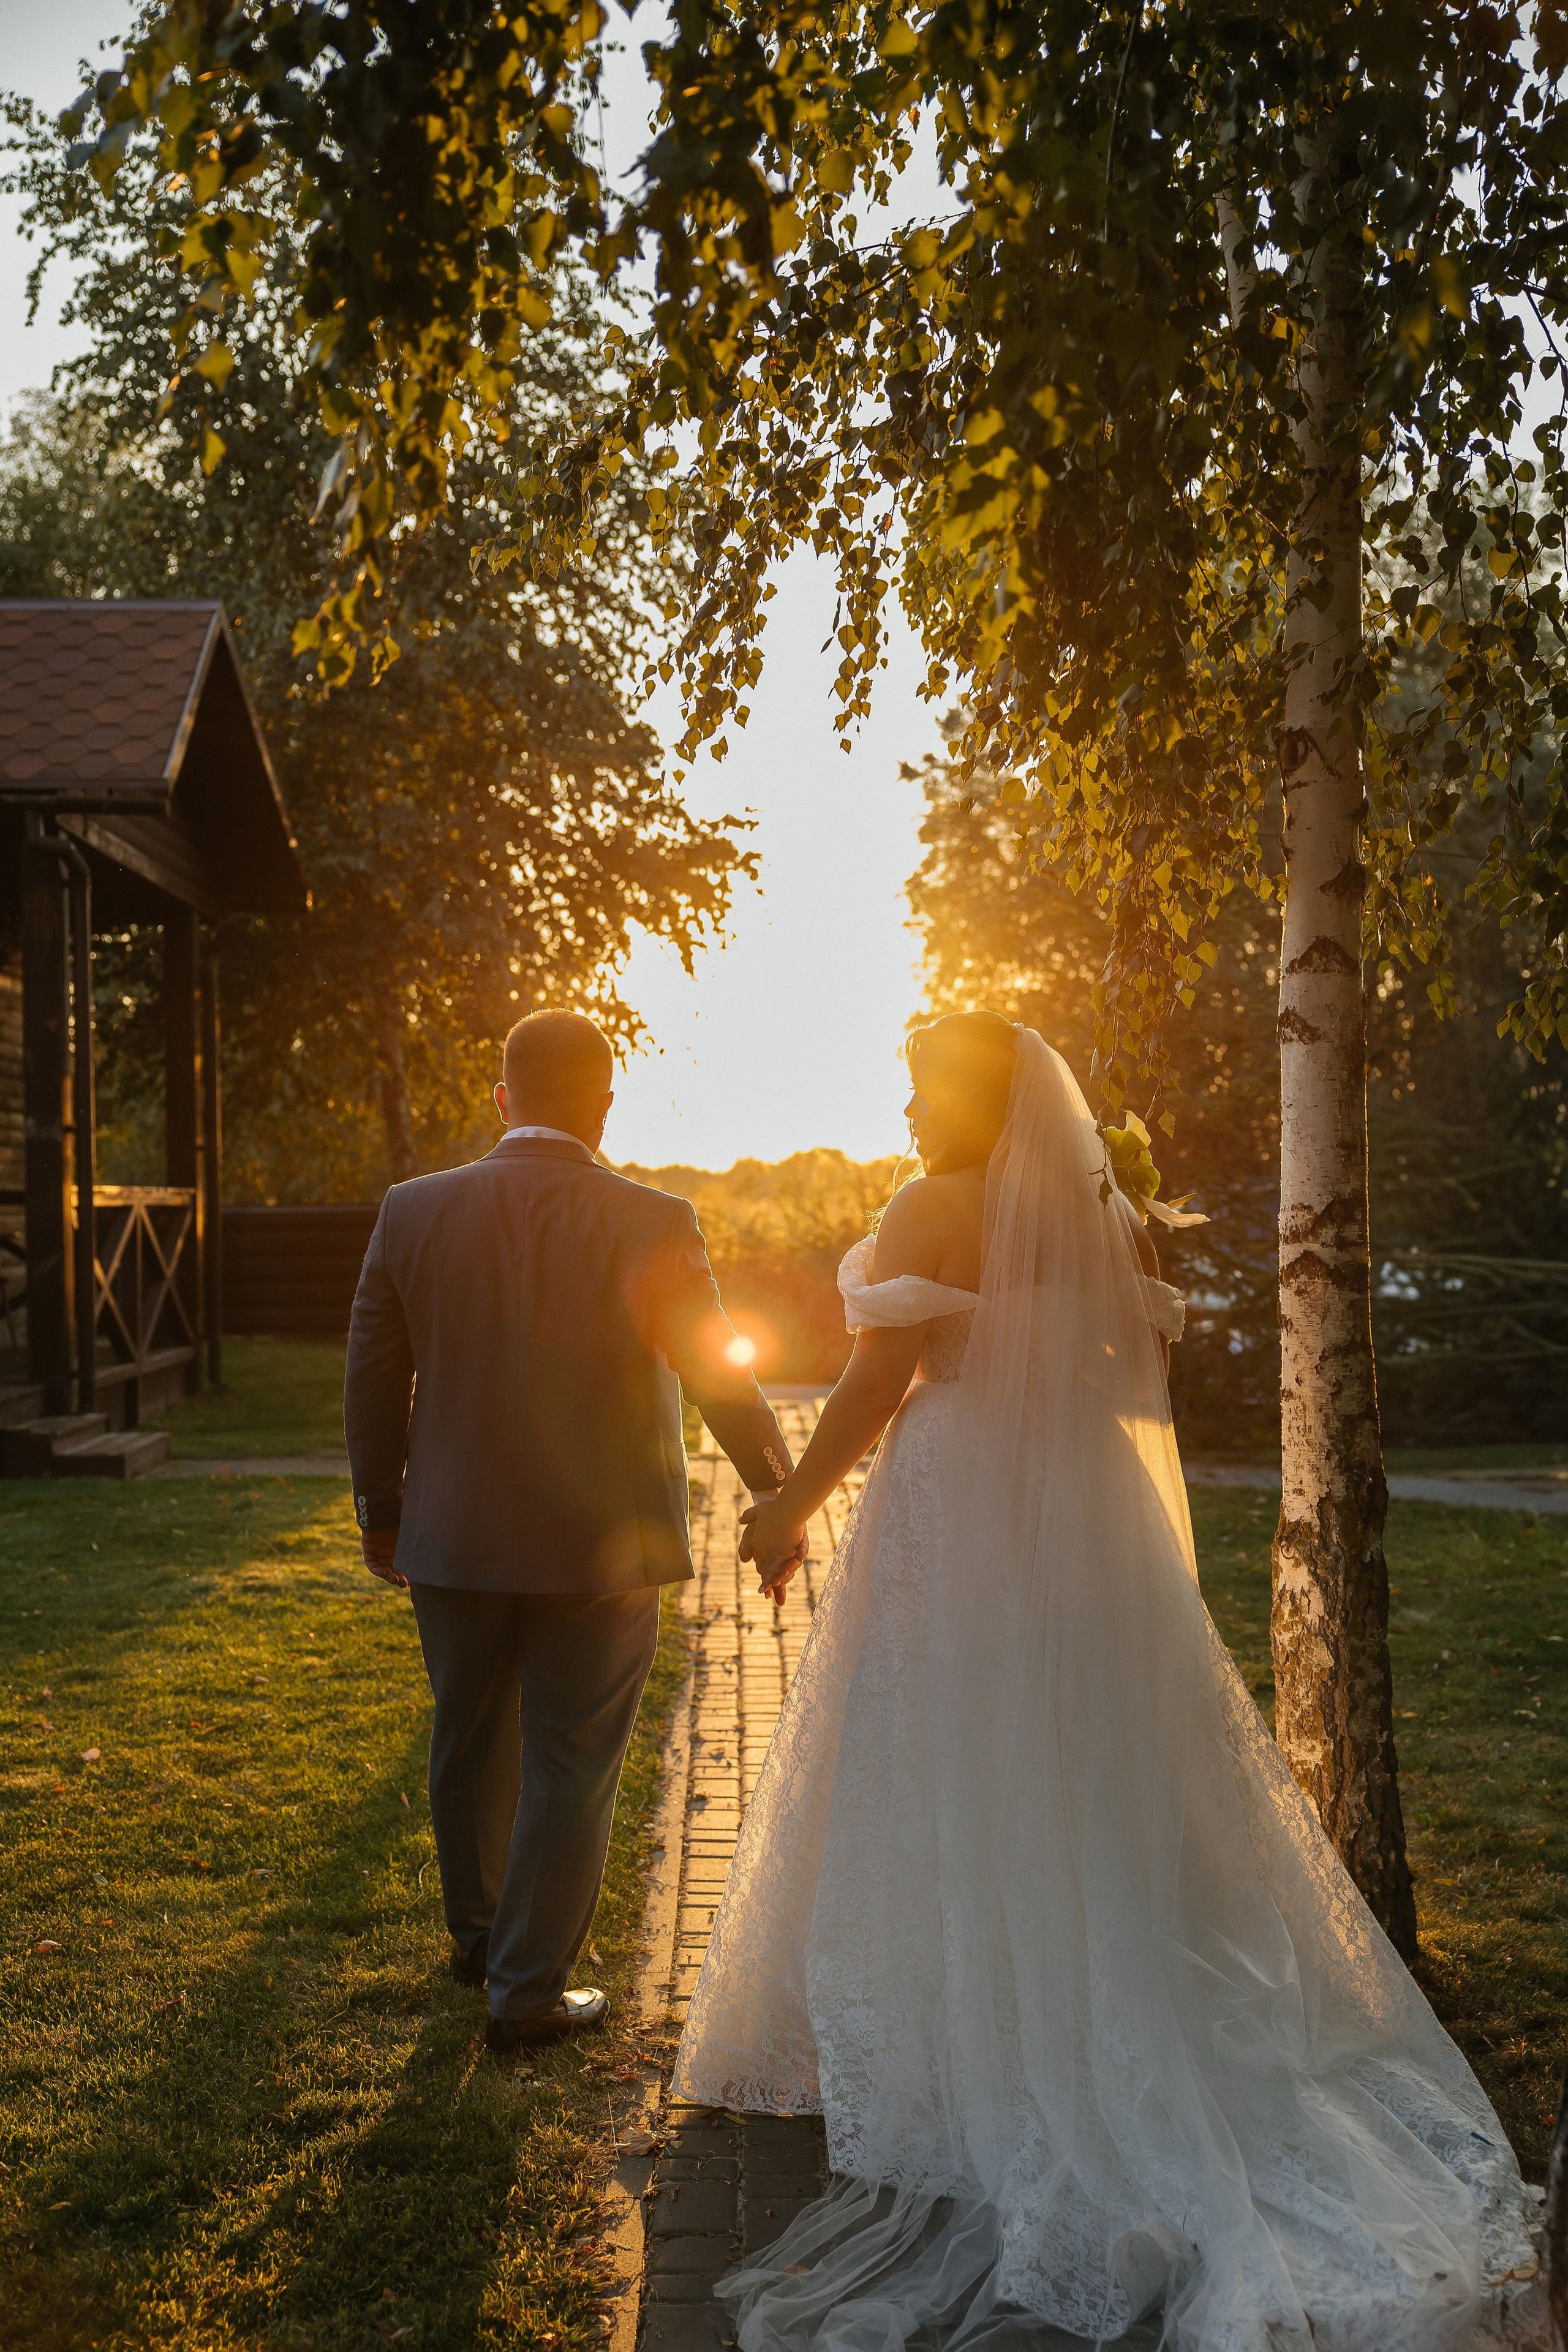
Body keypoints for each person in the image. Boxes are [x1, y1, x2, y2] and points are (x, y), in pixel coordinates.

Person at [673, 1015, 1544, 2351]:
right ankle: (1087, 1979)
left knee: (949, 1752)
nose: (905, 1110)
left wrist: (789, 1500)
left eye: (919, 1088)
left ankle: (976, 2028)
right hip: (1078, 1516)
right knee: (1075, 1754)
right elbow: (1130, 1388)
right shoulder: (1108, 1219)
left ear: (975, 1100)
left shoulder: (928, 1208)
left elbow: (874, 1376)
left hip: (960, 1499)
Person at [344, 1009, 798, 2054]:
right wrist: (779, 1488)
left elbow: (373, 1374)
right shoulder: (653, 1217)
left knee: (466, 1733)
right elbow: (718, 1370)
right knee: (571, 1760)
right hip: (600, 1544)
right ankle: (527, 1992)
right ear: (604, 1103)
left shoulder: (412, 1211)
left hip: (451, 1538)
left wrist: (385, 1513)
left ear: (503, 1100)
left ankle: (479, 1943)